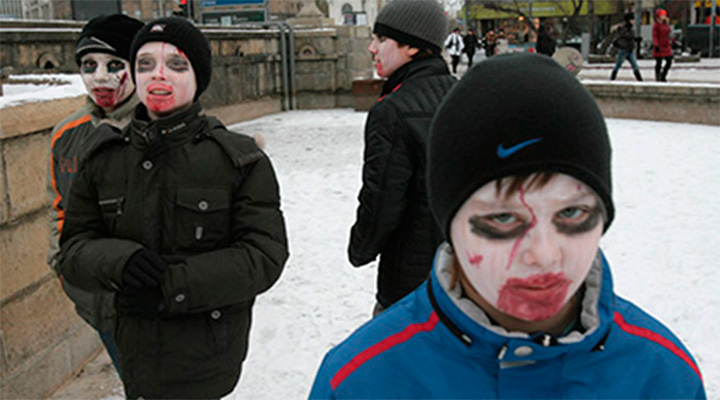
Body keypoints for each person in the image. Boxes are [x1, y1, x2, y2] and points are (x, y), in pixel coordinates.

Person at [309, 54, 705, 399]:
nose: (544, 254)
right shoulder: (358, 382)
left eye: (572, 214)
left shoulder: (663, 376)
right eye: (502, 218)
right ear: (448, 219)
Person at [58, 17, 288, 399]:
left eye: (176, 65)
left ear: (198, 78)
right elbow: (73, 249)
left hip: (206, 357)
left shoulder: (239, 160)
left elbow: (263, 255)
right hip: (135, 351)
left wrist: (171, 287)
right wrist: (120, 261)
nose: (158, 75)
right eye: (145, 64)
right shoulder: (103, 158)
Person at [48, 14, 144, 377]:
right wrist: (65, 271)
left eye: (114, 65)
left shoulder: (159, 126)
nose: (100, 77)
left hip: (160, 303)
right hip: (98, 302)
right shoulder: (66, 135)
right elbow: (58, 210)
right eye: (89, 65)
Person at [348, 0, 455, 317]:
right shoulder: (463, 95)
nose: (371, 48)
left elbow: (382, 198)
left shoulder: (393, 110)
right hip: (464, 272)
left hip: (409, 278)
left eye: (382, 39)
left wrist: (360, 248)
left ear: (412, 47)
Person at [611, 13, 643, 81]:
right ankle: (613, 77)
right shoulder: (624, 28)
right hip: (624, 50)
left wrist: (635, 39)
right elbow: (625, 37)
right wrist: (634, 39)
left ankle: (639, 79)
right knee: (618, 64)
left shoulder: (630, 28)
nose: (633, 21)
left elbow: (629, 38)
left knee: (634, 65)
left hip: (629, 50)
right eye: (632, 19)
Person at [653, 9, 673, 82]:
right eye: (662, 15)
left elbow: (668, 33)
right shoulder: (656, 25)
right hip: (659, 45)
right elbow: (655, 36)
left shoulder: (665, 24)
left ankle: (663, 74)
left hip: (666, 45)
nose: (664, 16)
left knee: (669, 61)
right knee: (659, 62)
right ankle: (658, 76)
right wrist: (656, 45)